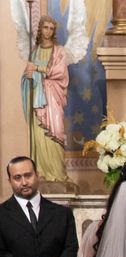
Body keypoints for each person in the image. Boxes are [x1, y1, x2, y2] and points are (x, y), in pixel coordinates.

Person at [0, 156, 78, 257]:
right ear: (10, 181)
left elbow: (70, 251)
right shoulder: (2, 214)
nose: (24, 182)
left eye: (28, 175)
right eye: (17, 178)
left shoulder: (62, 213)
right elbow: (2, 254)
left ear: (37, 175)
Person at [21, 16, 69, 183]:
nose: (48, 31)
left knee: (55, 131)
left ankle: (58, 175)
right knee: (39, 136)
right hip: (37, 101)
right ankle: (40, 172)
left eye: (51, 28)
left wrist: (37, 69)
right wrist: (28, 77)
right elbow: (27, 76)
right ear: (40, 29)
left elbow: (60, 72)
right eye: (45, 27)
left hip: (52, 98)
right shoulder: (33, 52)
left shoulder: (59, 51)